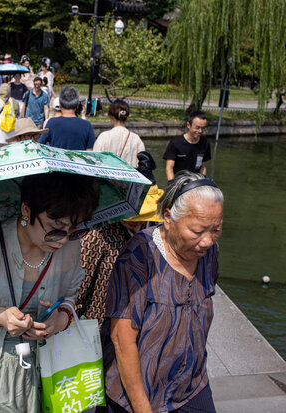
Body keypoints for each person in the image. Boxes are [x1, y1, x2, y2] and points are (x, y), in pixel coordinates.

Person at [0, 172, 100, 413]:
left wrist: (61, 319)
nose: (63, 240)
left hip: (49, 368)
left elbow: (69, 295)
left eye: (74, 230)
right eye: (57, 228)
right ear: (27, 210)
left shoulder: (70, 248)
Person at [100, 171, 224, 413]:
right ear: (168, 217)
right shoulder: (139, 256)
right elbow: (122, 339)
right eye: (198, 231)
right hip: (140, 391)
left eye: (216, 229)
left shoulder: (210, 253)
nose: (208, 240)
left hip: (191, 385)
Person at [77, 151, 162, 327]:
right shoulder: (97, 235)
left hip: (143, 320)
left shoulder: (159, 232)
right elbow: (79, 289)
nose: (131, 222)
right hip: (100, 324)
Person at [39, 86, 95, 150]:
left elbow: (41, 146)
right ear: (77, 105)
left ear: (60, 104)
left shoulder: (51, 123)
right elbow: (90, 151)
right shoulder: (87, 125)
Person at [93, 100, 145, 168]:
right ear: (127, 116)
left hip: (108, 177)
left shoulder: (104, 137)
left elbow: (95, 162)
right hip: (129, 177)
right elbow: (143, 164)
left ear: (110, 116)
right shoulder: (136, 139)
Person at [163, 111, 211, 181]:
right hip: (178, 181)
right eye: (197, 127)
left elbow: (202, 166)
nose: (200, 131)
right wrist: (172, 184)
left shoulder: (205, 143)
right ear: (188, 125)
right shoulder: (175, 143)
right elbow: (169, 167)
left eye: (203, 128)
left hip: (195, 182)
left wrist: (202, 181)